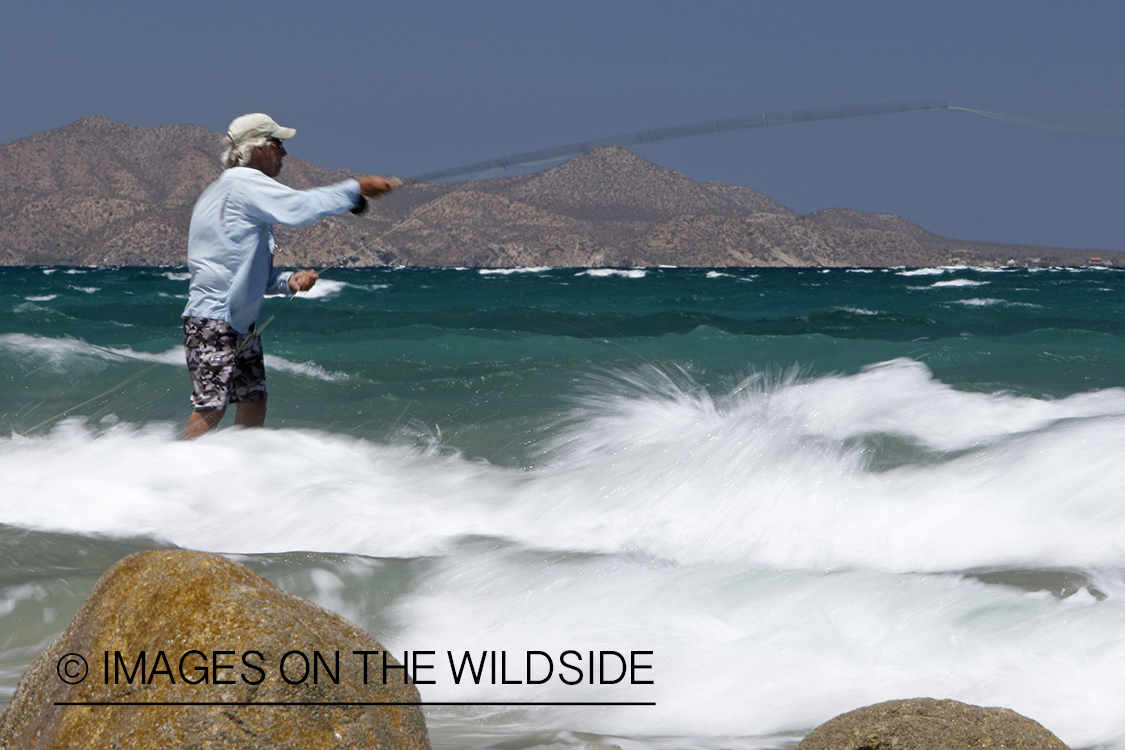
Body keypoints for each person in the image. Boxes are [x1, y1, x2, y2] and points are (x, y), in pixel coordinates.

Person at [182, 113, 395, 439]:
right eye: (279, 144)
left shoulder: (228, 191)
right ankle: (180, 476)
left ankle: (241, 473)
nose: (284, 153)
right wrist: (356, 187)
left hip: (238, 322)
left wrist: (288, 282)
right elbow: (299, 207)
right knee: (212, 406)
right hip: (215, 320)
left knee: (254, 400)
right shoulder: (243, 183)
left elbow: (248, 271)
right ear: (260, 148)